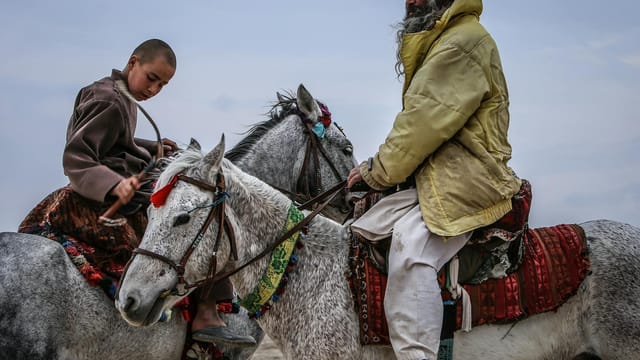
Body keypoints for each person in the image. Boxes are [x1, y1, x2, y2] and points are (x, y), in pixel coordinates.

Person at [18, 38, 254, 347]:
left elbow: (114, 141)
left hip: (122, 181)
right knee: (202, 222)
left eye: (163, 85)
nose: (154, 90)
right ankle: (206, 314)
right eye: (152, 78)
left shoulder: (115, 94)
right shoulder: (109, 99)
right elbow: (78, 155)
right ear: (133, 63)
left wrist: (149, 146)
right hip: (111, 193)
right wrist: (113, 185)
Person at [346, 0, 523, 359]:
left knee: (409, 250)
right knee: (361, 228)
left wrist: (374, 172)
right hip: (442, 175)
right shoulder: (448, 40)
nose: (410, 2)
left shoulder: (461, 44)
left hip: (469, 177)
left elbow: (420, 126)